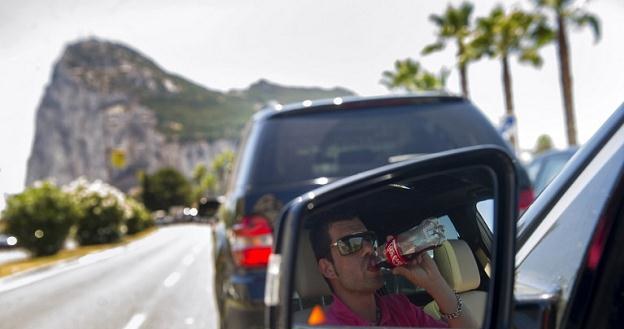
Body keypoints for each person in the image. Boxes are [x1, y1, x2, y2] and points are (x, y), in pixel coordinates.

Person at [309, 216, 478, 328]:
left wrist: (436, 284)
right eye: (350, 243)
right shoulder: (327, 325)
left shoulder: (400, 307)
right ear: (328, 268)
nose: (369, 248)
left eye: (368, 239)